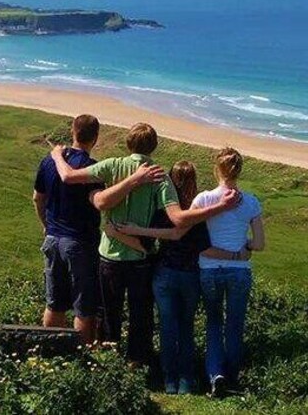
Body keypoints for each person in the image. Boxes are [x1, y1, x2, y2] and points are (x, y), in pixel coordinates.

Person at [49, 123, 240, 366]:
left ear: (129, 143)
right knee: (141, 316)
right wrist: (220, 207)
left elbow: (67, 176)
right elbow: (178, 219)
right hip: (140, 260)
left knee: (109, 314)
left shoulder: (112, 165)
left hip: (109, 255)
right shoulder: (159, 175)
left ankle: (108, 363)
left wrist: (56, 154)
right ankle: (137, 364)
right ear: (154, 146)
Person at [115, 161, 251, 395]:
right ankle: (187, 380)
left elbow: (152, 244)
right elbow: (204, 246)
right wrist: (237, 254)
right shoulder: (197, 212)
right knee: (186, 327)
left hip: (165, 273)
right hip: (191, 275)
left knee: (167, 327)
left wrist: (127, 231)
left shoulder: (162, 210)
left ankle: (169, 379)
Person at [34, 115, 163, 344]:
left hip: (53, 238)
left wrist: (46, 226)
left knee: (54, 302)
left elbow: (38, 198)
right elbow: (100, 202)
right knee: (85, 306)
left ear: (73, 133)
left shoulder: (48, 162)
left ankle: (50, 351)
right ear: (95, 138)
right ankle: (84, 355)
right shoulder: (90, 167)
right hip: (80, 242)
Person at [193, 147, 264, 397]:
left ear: (217, 169)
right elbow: (259, 244)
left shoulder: (203, 199)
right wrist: (242, 249)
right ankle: (232, 377)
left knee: (213, 323)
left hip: (210, 269)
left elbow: (194, 238)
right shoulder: (252, 202)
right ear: (239, 171)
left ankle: (216, 375)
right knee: (234, 324)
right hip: (239, 270)